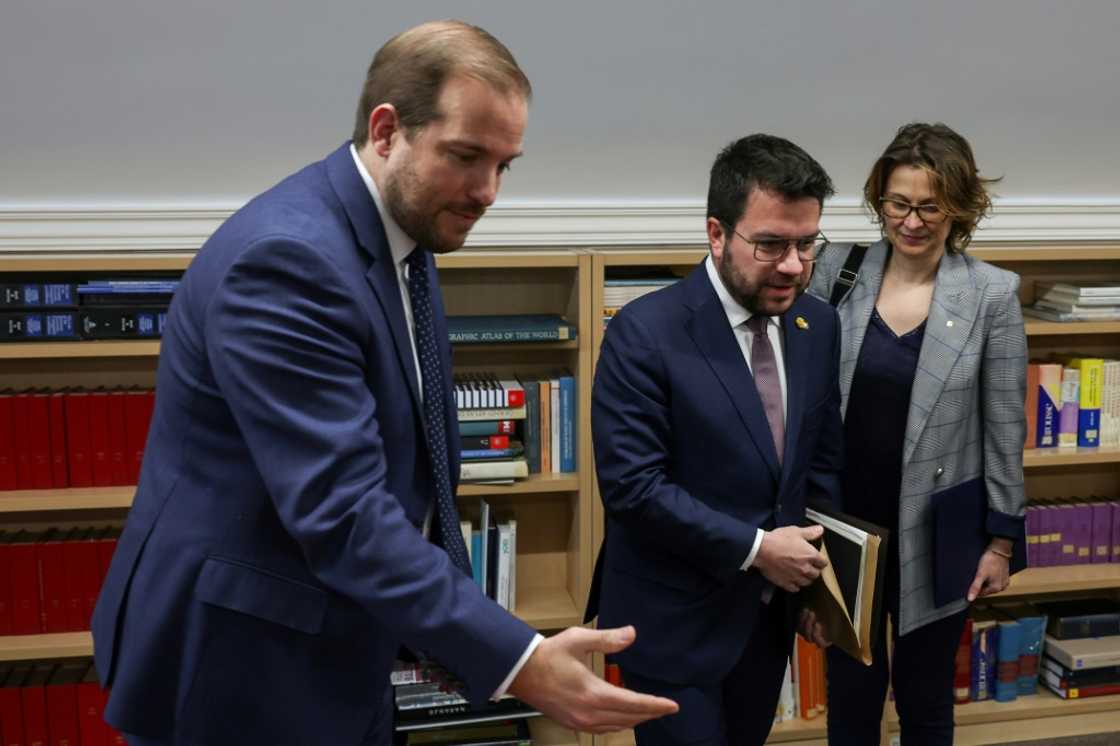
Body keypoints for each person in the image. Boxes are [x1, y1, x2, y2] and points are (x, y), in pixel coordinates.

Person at [91, 19, 677, 746]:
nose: (488, 191)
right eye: (466, 156)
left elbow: (414, 462)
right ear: (387, 129)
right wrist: (518, 659)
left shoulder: (406, 228)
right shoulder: (289, 262)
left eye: (505, 164)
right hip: (240, 665)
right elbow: (343, 513)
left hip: (333, 644)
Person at [585, 133, 843, 746]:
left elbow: (822, 462)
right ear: (717, 233)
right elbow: (633, 488)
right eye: (772, 244)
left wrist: (820, 588)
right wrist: (759, 549)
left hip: (767, 617)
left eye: (808, 244)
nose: (793, 265)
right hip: (673, 620)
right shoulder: (645, 332)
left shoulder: (817, 324)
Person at [808, 122, 1027, 745]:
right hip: (846, 526)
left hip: (940, 529)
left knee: (926, 699)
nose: (910, 221)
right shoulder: (836, 271)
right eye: (897, 203)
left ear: (959, 207)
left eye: (929, 206)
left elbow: (1004, 428)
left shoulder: (991, 294)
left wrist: (1001, 544)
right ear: (880, 200)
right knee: (851, 696)